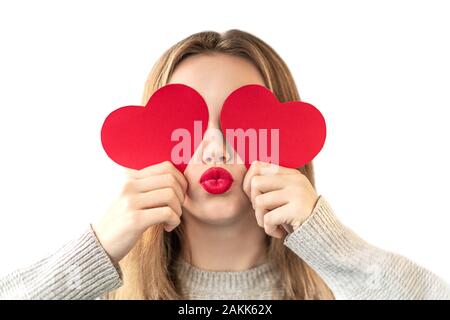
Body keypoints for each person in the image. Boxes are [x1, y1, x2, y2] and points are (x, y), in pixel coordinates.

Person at [1, 29, 449, 300]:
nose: (214, 148)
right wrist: (97, 248)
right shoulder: (100, 287)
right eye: (187, 124)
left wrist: (330, 245)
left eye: (242, 121)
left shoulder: (342, 286)